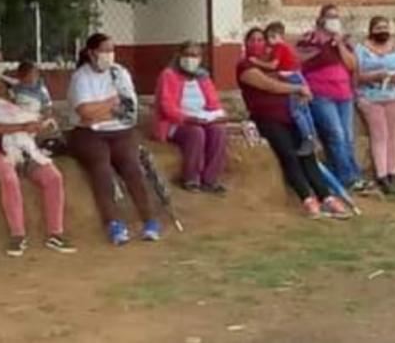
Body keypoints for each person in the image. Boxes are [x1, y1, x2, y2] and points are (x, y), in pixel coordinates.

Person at [0, 44, 76, 257]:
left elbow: (36, 109)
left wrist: (41, 121)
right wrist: (24, 126)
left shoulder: (17, 86)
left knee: (53, 177)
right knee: (8, 177)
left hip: (23, 144)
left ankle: (56, 234)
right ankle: (18, 236)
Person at [238, 28, 352, 220]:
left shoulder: (274, 64)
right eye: (253, 40)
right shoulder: (244, 66)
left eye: (261, 40)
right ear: (246, 43)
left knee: (307, 154)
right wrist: (297, 88)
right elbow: (268, 85)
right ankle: (307, 199)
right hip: (267, 118)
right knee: (289, 155)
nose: (257, 43)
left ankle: (327, 197)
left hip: (291, 116)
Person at [66, 33, 161, 246]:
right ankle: (114, 223)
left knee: (132, 167)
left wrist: (102, 109)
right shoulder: (81, 77)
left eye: (111, 50)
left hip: (120, 131)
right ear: (91, 53)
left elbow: (129, 109)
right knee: (102, 168)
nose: (109, 55)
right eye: (104, 50)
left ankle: (149, 220)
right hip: (88, 133)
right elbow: (85, 113)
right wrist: (111, 103)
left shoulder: (120, 73)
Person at [296, 5, 363, 190]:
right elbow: (303, 59)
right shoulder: (310, 38)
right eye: (330, 16)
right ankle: (348, 177)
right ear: (321, 19)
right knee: (336, 134)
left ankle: (349, 175)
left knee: (347, 137)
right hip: (321, 94)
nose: (334, 20)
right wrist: (326, 44)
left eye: (336, 17)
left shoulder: (343, 41)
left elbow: (352, 65)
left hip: (344, 94)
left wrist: (339, 44)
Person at [153, 42, 228, 194]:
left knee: (218, 130)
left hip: (202, 118)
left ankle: (210, 179)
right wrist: (187, 118)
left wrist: (218, 115)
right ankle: (191, 178)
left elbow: (213, 102)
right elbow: (166, 106)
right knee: (196, 132)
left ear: (200, 58)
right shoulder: (168, 75)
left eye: (195, 55)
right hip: (175, 122)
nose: (190, 59)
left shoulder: (203, 77)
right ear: (179, 56)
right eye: (186, 55)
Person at [354, 16, 395, 196]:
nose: (382, 31)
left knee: (392, 135)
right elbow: (356, 75)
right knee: (379, 135)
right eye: (378, 28)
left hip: (394, 94)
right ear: (371, 30)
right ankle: (381, 175)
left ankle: (392, 173)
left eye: (385, 27)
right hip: (370, 97)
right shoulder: (361, 50)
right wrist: (375, 76)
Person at [252, 22, 317, 155]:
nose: (268, 42)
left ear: (276, 36)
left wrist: (256, 62)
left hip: (291, 79)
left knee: (296, 112)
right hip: (297, 76)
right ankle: (312, 135)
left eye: (270, 37)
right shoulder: (287, 47)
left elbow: (273, 65)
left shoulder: (279, 48)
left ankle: (307, 138)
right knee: (304, 110)